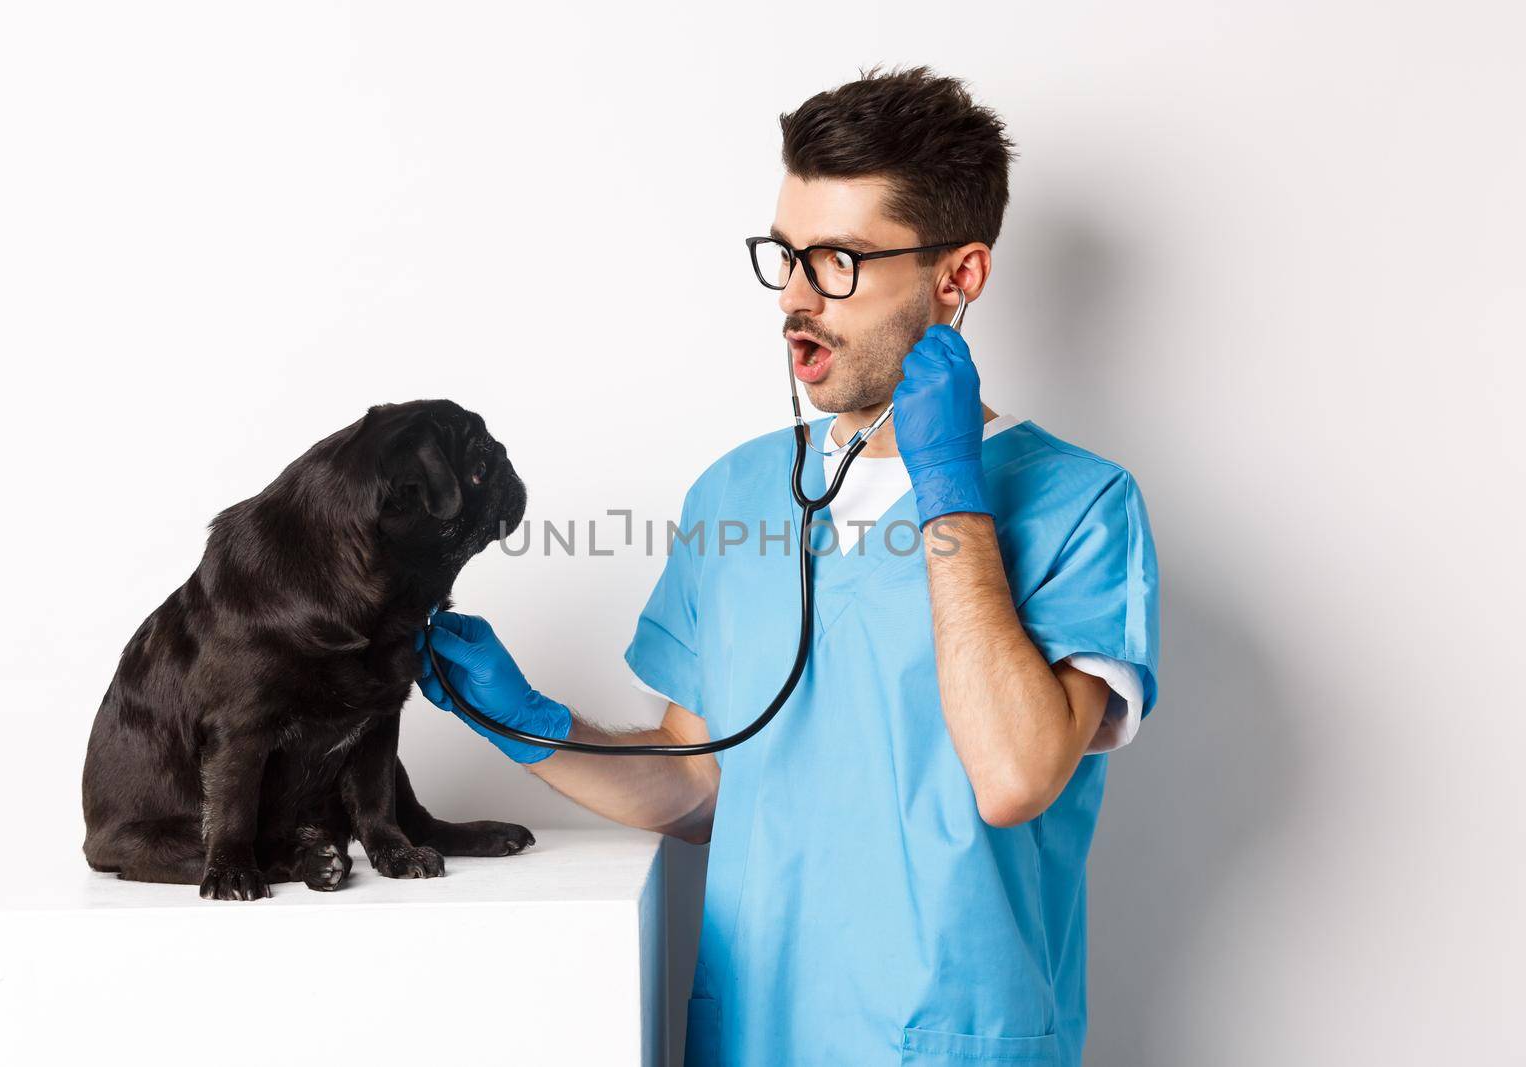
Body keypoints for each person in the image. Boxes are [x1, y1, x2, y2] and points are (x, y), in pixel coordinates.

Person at [417, 64, 1160, 1067]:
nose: (797, 300)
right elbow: (696, 789)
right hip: (756, 1035)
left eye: (841, 261)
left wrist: (951, 488)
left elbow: (1016, 775)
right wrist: (522, 720)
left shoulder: (1081, 504)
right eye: (787, 256)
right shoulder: (735, 492)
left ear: (959, 276)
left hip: (951, 1041)